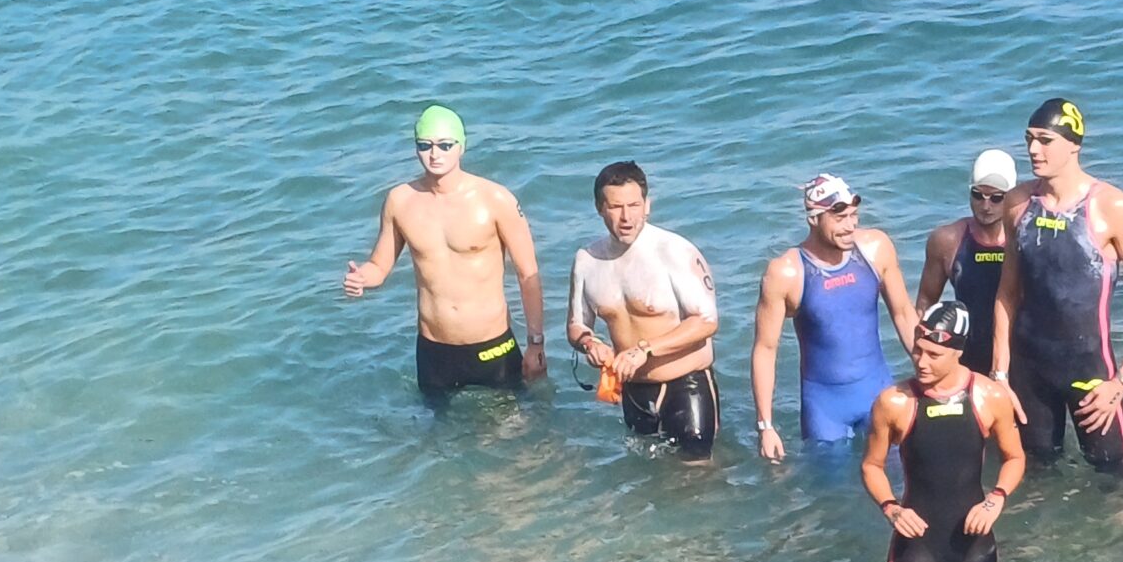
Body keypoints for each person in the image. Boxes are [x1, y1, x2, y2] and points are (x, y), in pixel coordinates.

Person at [990, 98, 1123, 470]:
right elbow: (1007, 294)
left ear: (1074, 144)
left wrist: (1121, 382)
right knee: (1035, 472)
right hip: (1029, 371)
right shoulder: (1017, 204)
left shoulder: (1111, 207)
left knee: (1113, 476)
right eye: (1029, 139)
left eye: (1044, 140)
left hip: (1090, 373)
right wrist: (1000, 375)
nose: (1033, 150)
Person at [343, 105, 547, 400]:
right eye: (424, 145)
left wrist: (535, 344)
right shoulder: (400, 201)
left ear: (461, 147)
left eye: (444, 145)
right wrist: (362, 277)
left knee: (510, 438)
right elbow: (379, 265)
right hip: (433, 349)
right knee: (437, 442)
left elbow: (528, 274)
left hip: (492, 345)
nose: (434, 154)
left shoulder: (495, 199)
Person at [860, 301, 1024, 562]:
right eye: (918, 351)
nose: (921, 362)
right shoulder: (894, 402)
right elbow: (872, 466)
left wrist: (996, 499)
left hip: (974, 540)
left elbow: (1015, 458)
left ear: (957, 352)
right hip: (917, 541)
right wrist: (891, 509)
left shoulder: (989, 396)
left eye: (934, 355)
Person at [751, 174, 919, 459]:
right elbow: (766, 350)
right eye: (840, 218)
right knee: (829, 493)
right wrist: (766, 426)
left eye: (854, 216)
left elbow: (904, 314)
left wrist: (937, 378)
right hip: (825, 407)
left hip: (878, 392)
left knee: (897, 483)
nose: (851, 226)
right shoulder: (786, 273)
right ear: (813, 219)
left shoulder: (876, 249)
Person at [564, 162, 721, 458]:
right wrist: (590, 343)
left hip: (686, 384)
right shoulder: (587, 260)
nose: (627, 217)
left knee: (698, 481)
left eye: (635, 205)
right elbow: (576, 325)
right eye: (616, 207)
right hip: (634, 393)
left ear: (647, 206)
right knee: (647, 484)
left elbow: (706, 322)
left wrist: (645, 349)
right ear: (600, 208)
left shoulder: (674, 251)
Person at [918, 149, 1020, 374]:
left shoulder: (1027, 238)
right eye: (978, 195)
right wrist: (923, 353)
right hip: (969, 361)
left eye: (996, 198)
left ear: (1011, 196)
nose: (986, 206)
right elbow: (926, 301)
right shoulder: (947, 241)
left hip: (1023, 360)